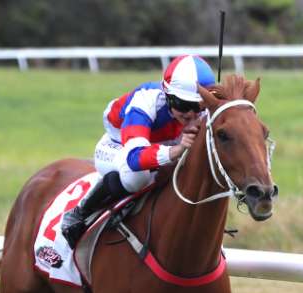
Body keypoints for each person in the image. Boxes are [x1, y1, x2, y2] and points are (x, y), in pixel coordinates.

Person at [61, 54, 216, 248]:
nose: (191, 114)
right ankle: (79, 213)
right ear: (168, 96)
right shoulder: (145, 100)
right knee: (137, 177)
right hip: (118, 146)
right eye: (183, 105)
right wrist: (177, 150)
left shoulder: (203, 112)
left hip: (158, 146)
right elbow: (134, 159)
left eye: (198, 106)